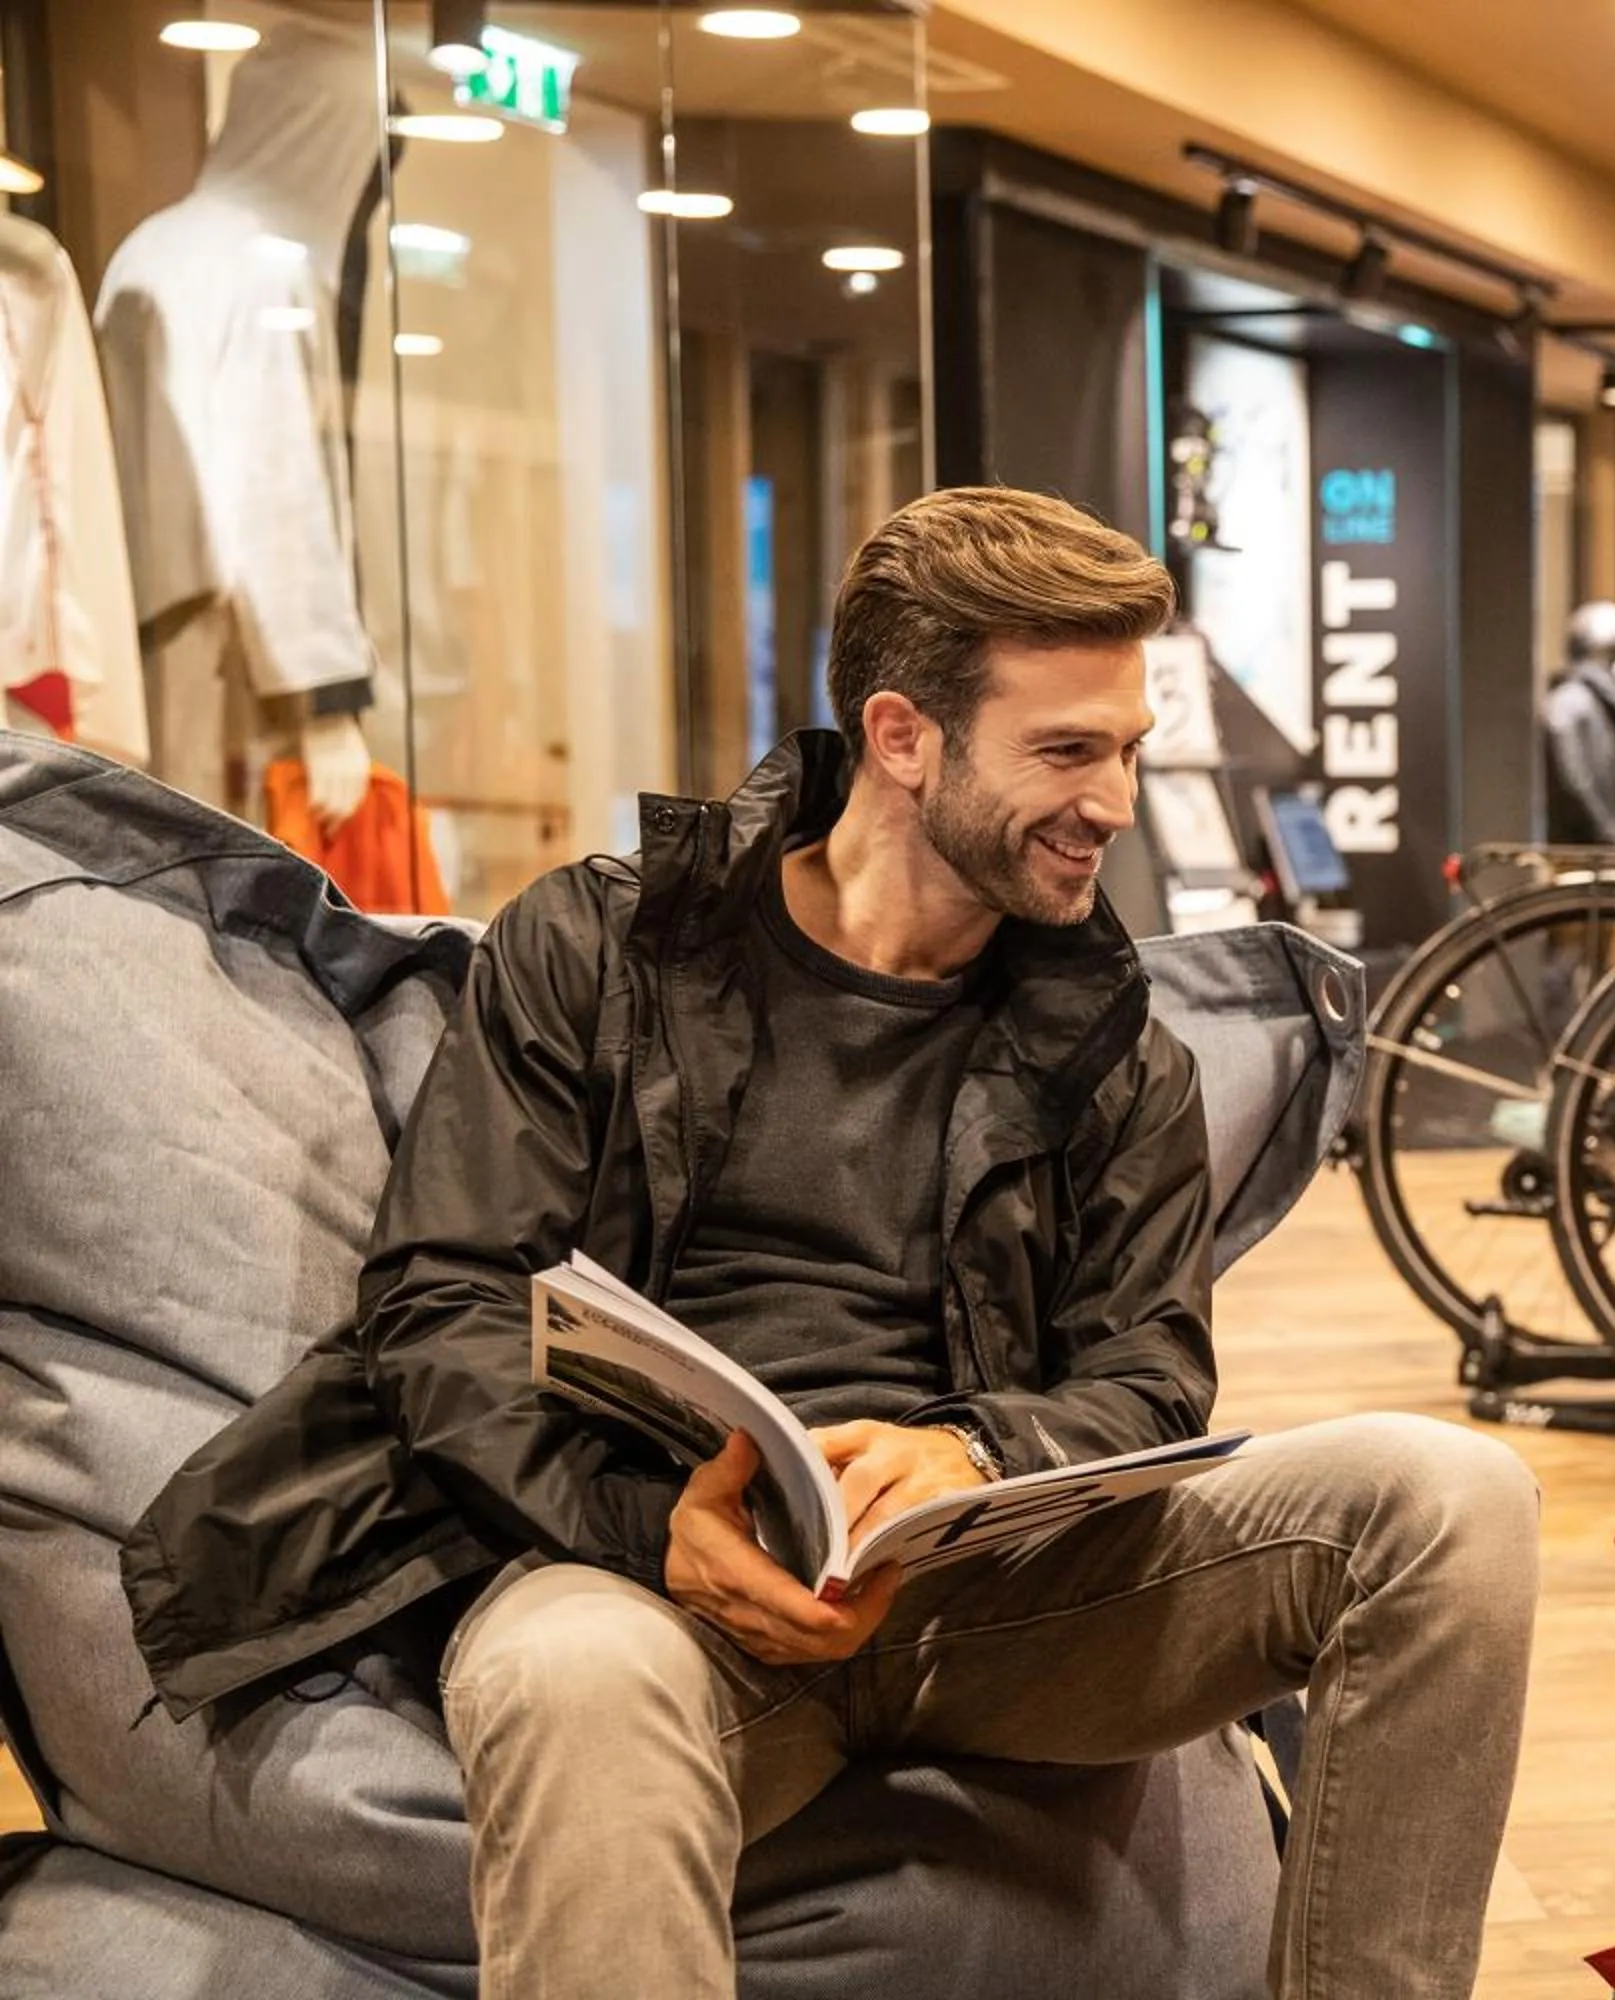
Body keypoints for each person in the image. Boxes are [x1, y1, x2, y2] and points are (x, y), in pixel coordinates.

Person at [120, 486, 1542, 2000]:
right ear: (903, 735)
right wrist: (643, 1525)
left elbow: (1149, 1373)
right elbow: (446, 1305)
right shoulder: (600, 951)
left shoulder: (1112, 1039)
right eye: (1066, 750)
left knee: (1453, 1494)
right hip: (671, 1587)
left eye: (1128, 748)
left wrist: (980, 1457)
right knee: (564, 1672)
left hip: (1006, 1595)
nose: (1114, 801)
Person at [1544, 598, 1615, 845]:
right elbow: (1573, 778)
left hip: (1602, 843)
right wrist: (1606, 829)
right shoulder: (1570, 701)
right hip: (1582, 846)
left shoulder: (1599, 702)